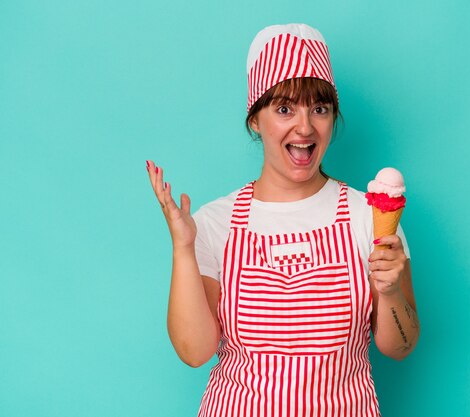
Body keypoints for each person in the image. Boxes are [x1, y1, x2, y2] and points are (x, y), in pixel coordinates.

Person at [146, 23, 419, 417]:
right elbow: (194, 351)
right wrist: (184, 249)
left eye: (319, 109)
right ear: (255, 119)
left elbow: (402, 346)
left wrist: (390, 291)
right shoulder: (216, 223)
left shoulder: (369, 218)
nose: (305, 128)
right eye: (285, 109)